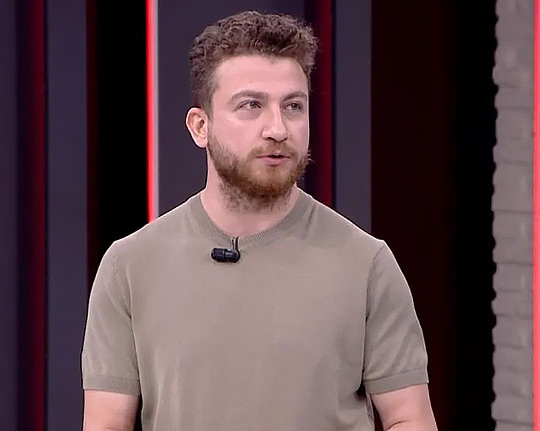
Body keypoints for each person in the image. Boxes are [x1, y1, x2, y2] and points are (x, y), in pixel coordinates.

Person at [82, 10, 437, 431]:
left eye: (293, 106)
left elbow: (408, 419)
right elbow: (106, 424)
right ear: (200, 127)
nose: (278, 128)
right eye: (251, 105)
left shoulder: (366, 264)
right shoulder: (129, 266)